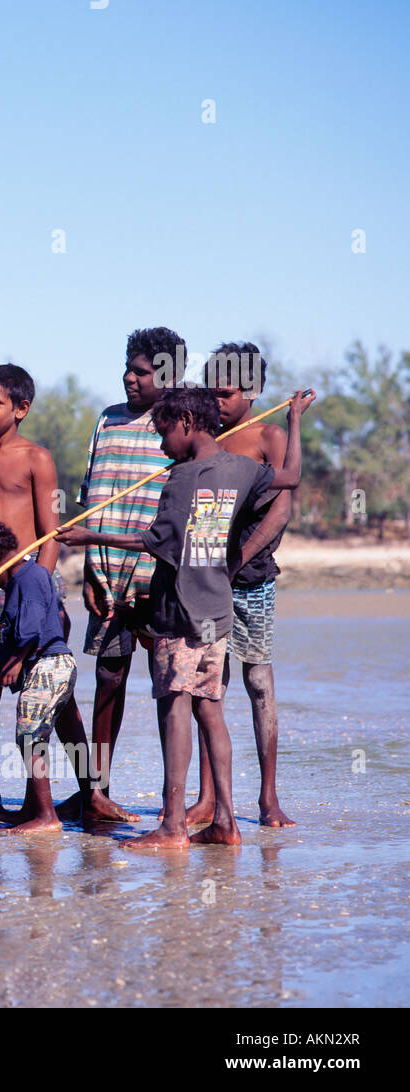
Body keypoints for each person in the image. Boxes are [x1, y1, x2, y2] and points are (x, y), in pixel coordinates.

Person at [58, 387, 312, 849]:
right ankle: (226, 823)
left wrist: (88, 535)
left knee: (175, 706)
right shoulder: (243, 468)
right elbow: (291, 475)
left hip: (178, 611)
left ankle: (173, 825)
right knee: (210, 709)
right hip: (219, 607)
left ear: (189, 423)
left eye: (163, 433)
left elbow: (156, 543)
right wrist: (295, 419)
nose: (160, 446)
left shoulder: (181, 478)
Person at [0, 364, 134, 825]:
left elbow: (50, 533)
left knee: (60, 695)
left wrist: (40, 590)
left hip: (33, 587)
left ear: (21, 409)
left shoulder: (37, 458)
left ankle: (90, 792)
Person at [68, 327, 185, 814]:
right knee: (108, 680)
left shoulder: (179, 423)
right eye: (128, 368)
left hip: (159, 578)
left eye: (142, 372)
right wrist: (90, 574)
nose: (129, 379)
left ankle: (172, 800)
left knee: (168, 688)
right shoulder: (108, 419)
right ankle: (96, 791)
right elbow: (91, 492)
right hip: (107, 576)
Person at [200, 342, 296, 827]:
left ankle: (268, 797)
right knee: (208, 685)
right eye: (210, 392)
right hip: (204, 581)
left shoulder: (268, 436)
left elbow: (282, 507)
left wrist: (242, 556)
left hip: (251, 580)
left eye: (226, 393)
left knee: (258, 682)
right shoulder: (204, 440)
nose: (217, 401)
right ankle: (210, 800)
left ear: (252, 391)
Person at [0, 514, 99, 834]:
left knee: (30, 737)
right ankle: (32, 808)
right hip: (44, 666)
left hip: (49, 665)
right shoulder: (21, 579)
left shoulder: (30, 576)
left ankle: (47, 816)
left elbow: (32, 626)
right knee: (31, 735)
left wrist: (17, 660)